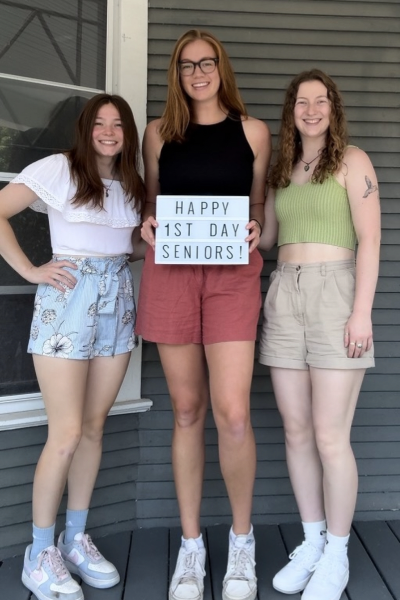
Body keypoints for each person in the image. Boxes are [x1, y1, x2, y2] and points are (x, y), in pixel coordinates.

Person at [137, 29, 271, 600]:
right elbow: (150, 203)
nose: (198, 72)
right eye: (187, 64)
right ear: (177, 72)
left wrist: (257, 227)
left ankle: (242, 542)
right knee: (187, 410)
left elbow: (258, 204)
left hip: (231, 275)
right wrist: (146, 225)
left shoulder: (253, 132)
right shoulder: (157, 133)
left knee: (232, 412)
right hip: (170, 273)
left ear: (222, 67)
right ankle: (191, 550)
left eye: (207, 62)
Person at [0, 93, 145, 600]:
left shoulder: (131, 184)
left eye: (118, 124)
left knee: (92, 428)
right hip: (68, 298)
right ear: (85, 130)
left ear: (127, 133)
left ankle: (75, 537)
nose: (109, 131)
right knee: (63, 432)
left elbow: (132, 246)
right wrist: (30, 270)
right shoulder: (60, 168)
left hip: (117, 300)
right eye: (99, 123)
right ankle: (39, 553)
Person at [258, 69, 380, 600]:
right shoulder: (283, 168)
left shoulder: (353, 162)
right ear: (292, 110)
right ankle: (310, 542)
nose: (311, 109)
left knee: (332, 436)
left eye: (321, 101)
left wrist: (361, 313)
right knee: (297, 430)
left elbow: (372, 240)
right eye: (302, 101)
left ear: (334, 108)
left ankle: (337, 551)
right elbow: (265, 240)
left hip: (337, 296)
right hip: (284, 293)